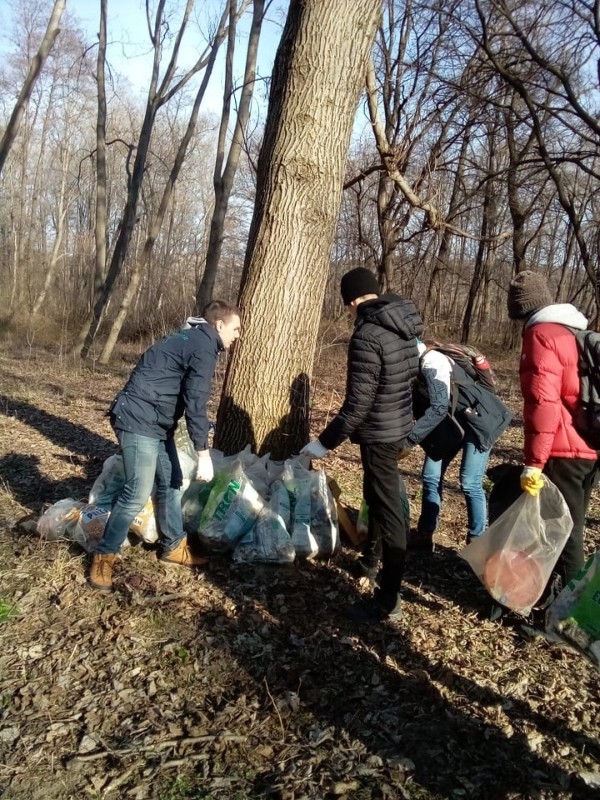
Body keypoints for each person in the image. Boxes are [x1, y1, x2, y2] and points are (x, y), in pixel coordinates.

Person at [89, 300, 242, 592]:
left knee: (171, 482)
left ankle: (172, 546)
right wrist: (203, 454)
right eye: (235, 328)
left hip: (156, 422)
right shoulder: (204, 346)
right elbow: (197, 404)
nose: (238, 335)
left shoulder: (192, 336)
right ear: (219, 325)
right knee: (137, 493)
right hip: (138, 419)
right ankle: (104, 555)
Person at [300, 267, 423, 622]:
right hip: (397, 426)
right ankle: (370, 563)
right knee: (376, 496)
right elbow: (407, 381)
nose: (348, 312)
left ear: (352, 301)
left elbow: (358, 404)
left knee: (389, 510)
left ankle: (389, 597)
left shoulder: (368, 335)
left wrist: (324, 443)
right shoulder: (404, 325)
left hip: (379, 436)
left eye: (346, 306)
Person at [507, 270, 599, 587]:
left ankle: (566, 614)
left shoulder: (540, 335)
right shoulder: (572, 333)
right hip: (589, 447)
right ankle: (561, 602)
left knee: (563, 533)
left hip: (563, 451)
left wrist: (533, 464)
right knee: (572, 528)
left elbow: (542, 404)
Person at [406, 341, 512, 551]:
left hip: (481, 421)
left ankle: (477, 541)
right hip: (453, 424)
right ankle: (425, 533)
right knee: (430, 475)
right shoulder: (414, 372)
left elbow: (439, 406)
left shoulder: (433, 361)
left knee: (469, 481)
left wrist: (410, 439)